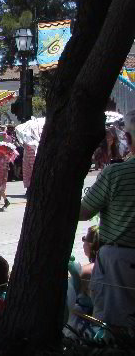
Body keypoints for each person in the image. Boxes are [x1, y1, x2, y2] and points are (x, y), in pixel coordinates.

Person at [79, 109, 135, 331]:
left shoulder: (115, 174)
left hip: (119, 262)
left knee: (113, 327)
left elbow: (83, 211)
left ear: (128, 139)